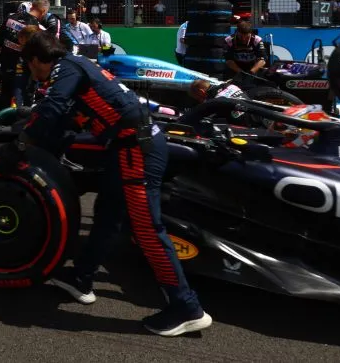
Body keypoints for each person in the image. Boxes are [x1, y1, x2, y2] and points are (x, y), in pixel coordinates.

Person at [18, 33, 212, 336]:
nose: (32, 73)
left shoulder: (64, 68)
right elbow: (68, 116)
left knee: (147, 229)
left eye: (30, 66)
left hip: (136, 148)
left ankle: (187, 307)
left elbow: (53, 106)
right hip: (128, 147)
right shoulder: (78, 63)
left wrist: (24, 138)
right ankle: (81, 277)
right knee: (108, 214)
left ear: (34, 60)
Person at [0, 4, 39, 108]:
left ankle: (5, 114)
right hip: (24, 64)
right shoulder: (33, 21)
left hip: (7, 61)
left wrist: (5, 46)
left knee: (6, 92)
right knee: (24, 92)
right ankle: (24, 114)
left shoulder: (10, 18)